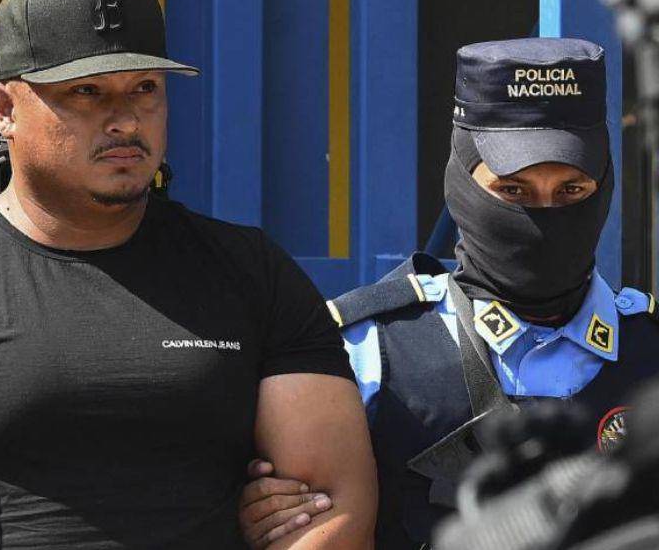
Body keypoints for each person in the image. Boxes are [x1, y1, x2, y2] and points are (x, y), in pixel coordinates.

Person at [0, 0, 376, 549]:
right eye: (86, 92)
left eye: (145, 89)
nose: (125, 120)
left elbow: (332, 505)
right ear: (4, 109)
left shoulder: (251, 269)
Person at [238, 38, 659, 549]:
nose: (545, 216)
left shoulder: (649, 345)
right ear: (461, 180)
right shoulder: (362, 353)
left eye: (571, 190)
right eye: (513, 190)